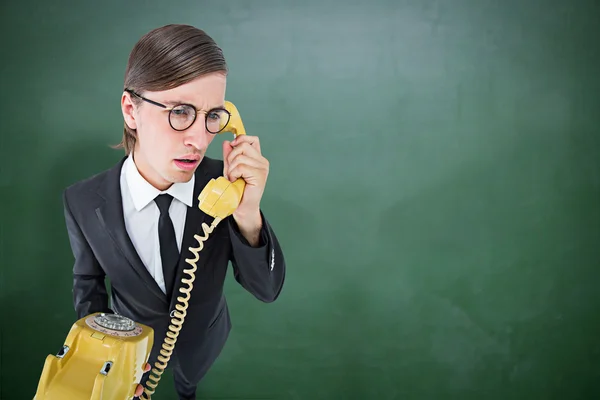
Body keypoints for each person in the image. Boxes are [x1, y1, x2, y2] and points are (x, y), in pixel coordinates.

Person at [62, 24, 286, 400]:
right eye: (180, 112)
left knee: (189, 387)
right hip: (132, 356)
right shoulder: (83, 201)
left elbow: (267, 290)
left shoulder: (225, 186)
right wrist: (103, 357)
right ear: (131, 109)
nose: (199, 139)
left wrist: (248, 212)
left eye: (213, 115)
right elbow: (88, 282)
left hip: (203, 343)